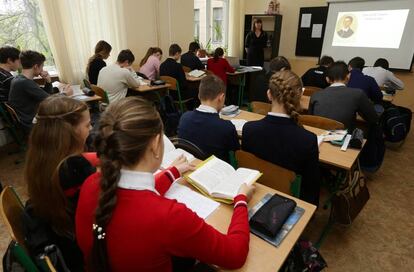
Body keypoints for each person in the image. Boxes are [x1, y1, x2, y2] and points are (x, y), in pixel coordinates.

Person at [75, 97, 254, 271]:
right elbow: (234, 255)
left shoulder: (91, 184)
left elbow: (135, 196)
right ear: (155, 143)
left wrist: (172, 172)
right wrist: (240, 201)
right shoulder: (169, 217)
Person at [23, 96, 95, 271]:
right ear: (69, 132)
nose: (91, 128)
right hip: (82, 253)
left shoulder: (43, 158)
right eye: (87, 125)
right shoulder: (74, 169)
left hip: (61, 230)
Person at [242, 70, 320, 206]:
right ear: (299, 95)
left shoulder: (249, 129)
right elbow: (311, 188)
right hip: (289, 202)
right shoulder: (308, 140)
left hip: (256, 193)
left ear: (268, 94)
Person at [178, 75, 239, 162]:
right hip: (217, 172)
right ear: (221, 98)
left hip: (190, 168)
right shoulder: (226, 127)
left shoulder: (184, 118)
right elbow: (236, 151)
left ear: (199, 95)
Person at [9, 50, 72, 132]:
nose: (43, 69)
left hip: (26, 120)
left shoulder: (18, 79)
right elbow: (50, 101)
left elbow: (45, 95)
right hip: (31, 123)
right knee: (68, 117)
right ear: (36, 66)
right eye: (42, 66)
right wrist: (65, 94)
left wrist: (48, 81)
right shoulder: (25, 83)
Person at [309, 61, 378, 130]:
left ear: (327, 79)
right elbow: (373, 118)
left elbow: (310, 119)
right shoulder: (358, 94)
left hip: (319, 136)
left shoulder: (315, 95)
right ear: (348, 76)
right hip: (345, 138)